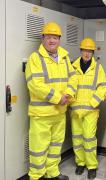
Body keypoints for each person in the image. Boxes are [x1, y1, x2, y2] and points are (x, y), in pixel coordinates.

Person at [25, 22, 77, 180]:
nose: (52, 40)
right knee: (38, 148)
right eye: (48, 37)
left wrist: (68, 93)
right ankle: (37, 176)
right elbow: (35, 84)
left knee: (55, 146)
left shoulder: (64, 57)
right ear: (43, 38)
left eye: (55, 37)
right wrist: (58, 97)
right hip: (42, 114)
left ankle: (52, 173)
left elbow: (73, 78)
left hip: (59, 113)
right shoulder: (35, 58)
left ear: (59, 39)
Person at [69, 37, 106, 179]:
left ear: (93, 53)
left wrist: (93, 103)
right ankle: (80, 163)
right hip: (75, 110)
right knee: (77, 138)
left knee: (89, 139)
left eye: (89, 51)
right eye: (85, 50)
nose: (87, 53)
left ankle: (92, 166)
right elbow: (68, 87)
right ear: (81, 50)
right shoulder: (72, 66)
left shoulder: (98, 68)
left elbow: (103, 87)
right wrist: (71, 103)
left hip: (91, 111)